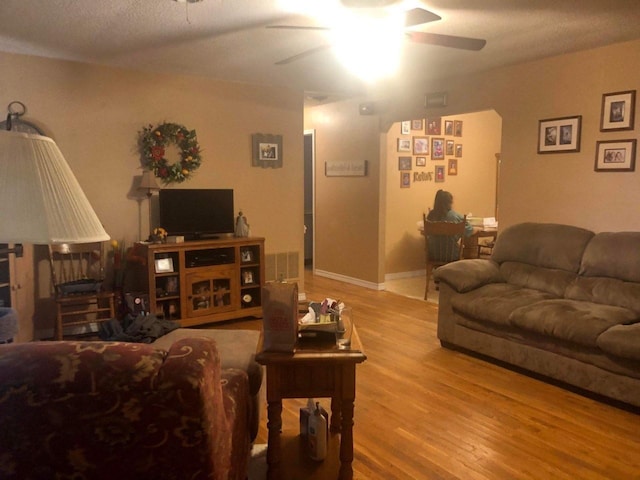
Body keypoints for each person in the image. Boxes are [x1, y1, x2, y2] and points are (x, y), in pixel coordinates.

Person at [425, 190, 474, 261]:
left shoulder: (431, 215)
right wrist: (476, 229)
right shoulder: (455, 216)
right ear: (449, 203)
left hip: (433, 254)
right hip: (451, 255)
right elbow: (469, 230)